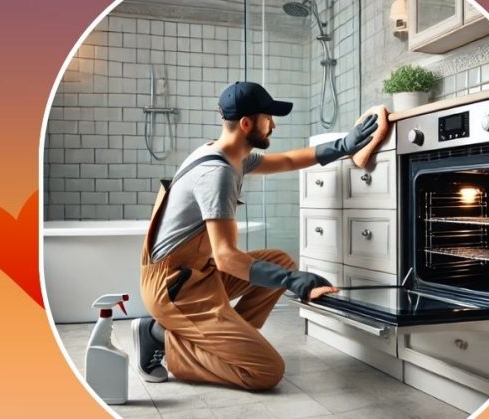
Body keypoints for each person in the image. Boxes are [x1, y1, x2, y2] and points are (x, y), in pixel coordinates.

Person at [133, 81, 381, 391]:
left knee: (280, 261)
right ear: (247, 123)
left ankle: (227, 343)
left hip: (196, 275)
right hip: (173, 288)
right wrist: (292, 281)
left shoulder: (230, 155)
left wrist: (343, 145)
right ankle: (159, 336)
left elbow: (289, 160)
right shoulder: (218, 173)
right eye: (268, 118)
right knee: (266, 371)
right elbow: (225, 258)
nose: (273, 125)